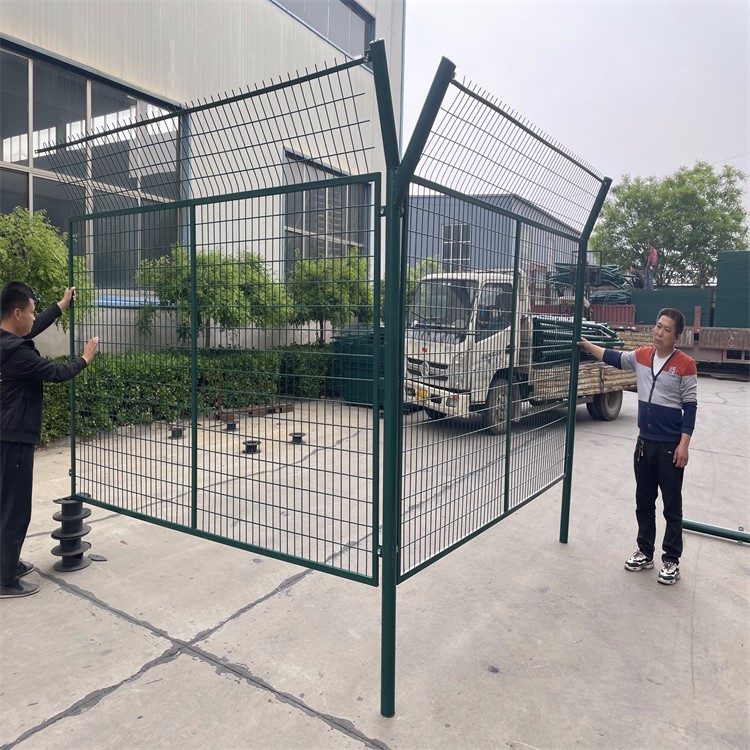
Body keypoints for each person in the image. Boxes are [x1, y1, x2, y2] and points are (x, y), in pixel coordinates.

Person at [577, 308, 697, 585]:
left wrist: (684, 445)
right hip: (644, 444)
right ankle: (645, 552)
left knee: (672, 507)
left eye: (666, 329)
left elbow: (690, 407)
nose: (659, 333)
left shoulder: (685, 364)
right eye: (658, 326)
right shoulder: (642, 356)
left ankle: (671, 561)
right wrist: (588, 346)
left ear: (677, 336)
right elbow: (615, 358)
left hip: (669, 447)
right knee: (644, 502)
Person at [0, 282, 99, 599]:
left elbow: (32, 328)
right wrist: (84, 359)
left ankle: (6, 564)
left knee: (6, 504)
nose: (33, 317)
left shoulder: (5, 340)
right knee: (15, 509)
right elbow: (56, 372)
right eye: (31, 312)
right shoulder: (16, 353)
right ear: (17, 313)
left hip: (6, 435)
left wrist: (60, 305)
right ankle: (5, 579)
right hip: (14, 438)